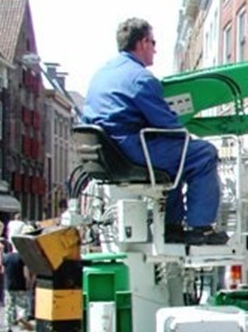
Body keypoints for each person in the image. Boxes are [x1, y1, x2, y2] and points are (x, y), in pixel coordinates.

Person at [83, 17, 227, 246]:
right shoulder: (141, 79)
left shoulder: (101, 75)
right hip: (131, 150)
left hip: (109, 152)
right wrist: (185, 134)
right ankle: (201, 228)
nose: (155, 50)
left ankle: (173, 226)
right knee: (202, 153)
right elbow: (168, 125)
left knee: (175, 161)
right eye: (153, 42)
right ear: (142, 43)